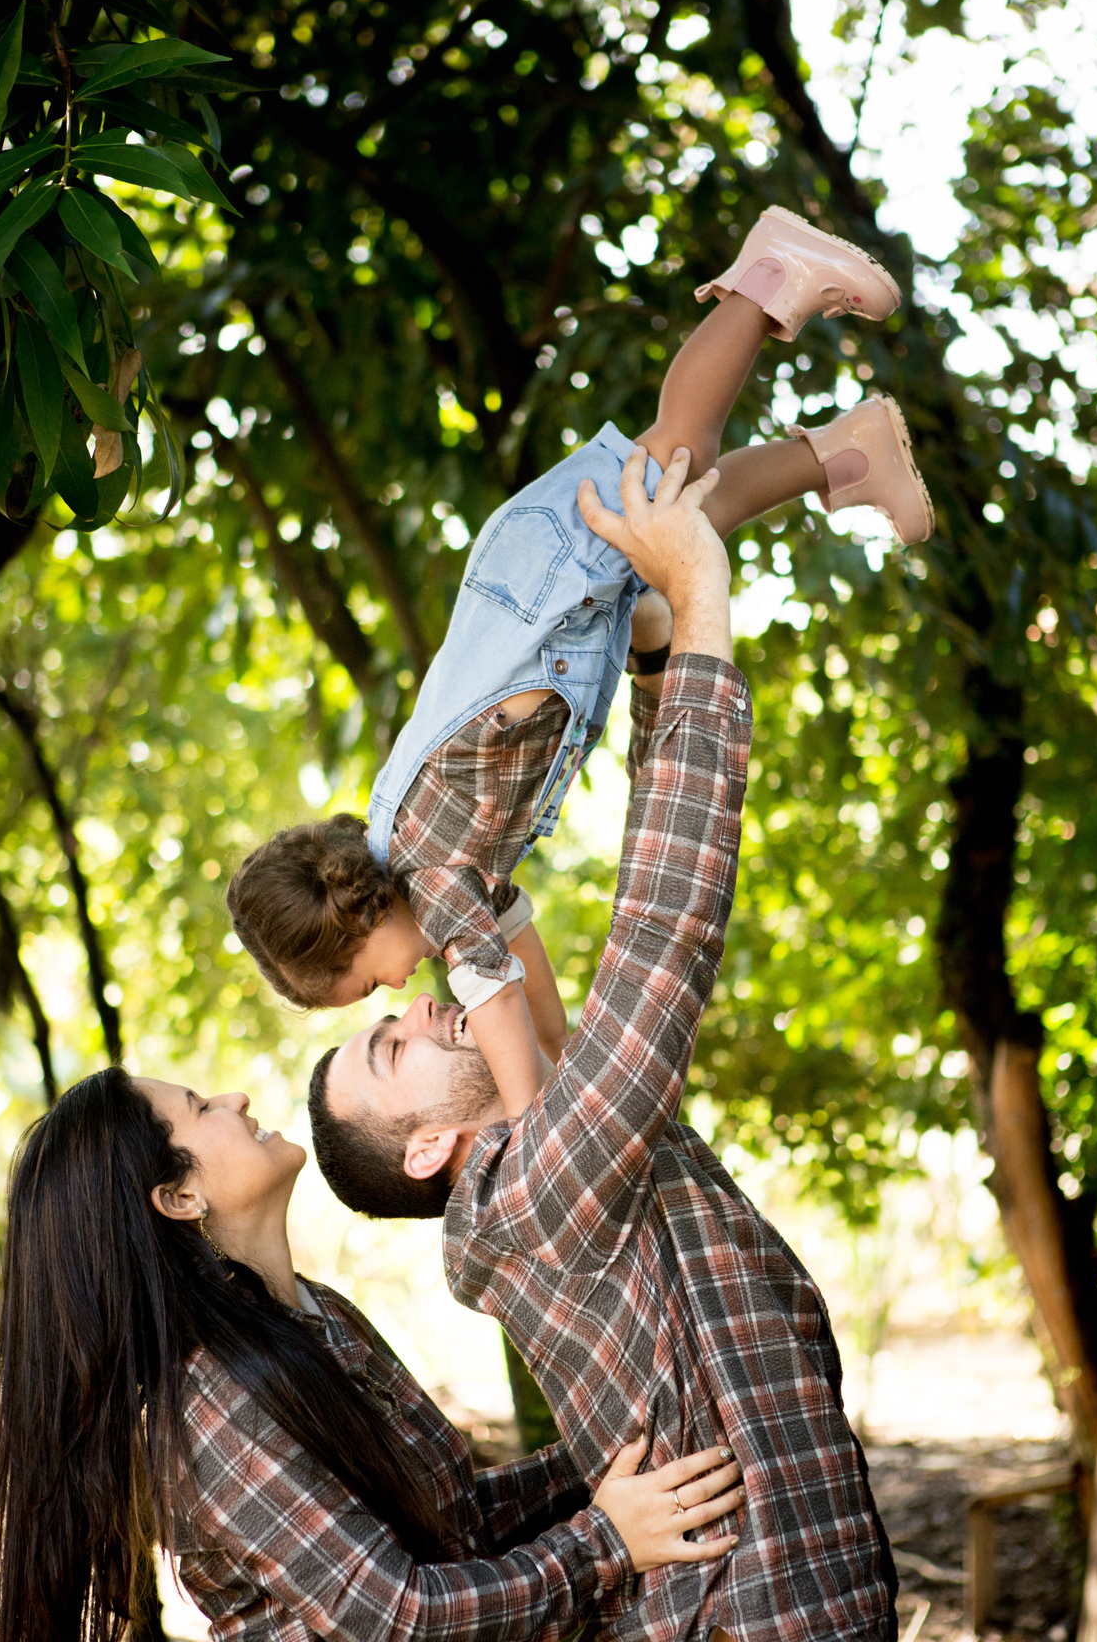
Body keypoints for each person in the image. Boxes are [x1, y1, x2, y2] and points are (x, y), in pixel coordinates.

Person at [305, 452, 897, 1642]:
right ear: (426, 1151)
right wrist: (704, 595)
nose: (416, 1009)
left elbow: (546, 992)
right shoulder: (528, 1201)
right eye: (389, 1050)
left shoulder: (551, 1162)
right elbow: (661, 938)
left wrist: (655, 655)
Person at [228, 206, 933, 1121]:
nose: (398, 993)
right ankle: (845, 455)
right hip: (550, 597)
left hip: (543, 584)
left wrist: (532, 1125)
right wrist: (554, 1067)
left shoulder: (431, 873)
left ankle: (766, 281)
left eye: (368, 986)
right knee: (694, 509)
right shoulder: (452, 879)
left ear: (350, 924)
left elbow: (493, 997)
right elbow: (536, 1005)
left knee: (680, 449)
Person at [0, 1064, 748, 1642]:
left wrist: (608, 1455)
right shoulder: (213, 1406)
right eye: (201, 1107)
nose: (235, 1099)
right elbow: (397, 1617)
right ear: (180, 1197)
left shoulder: (316, 1314)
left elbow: (451, 1520)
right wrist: (605, 1542)